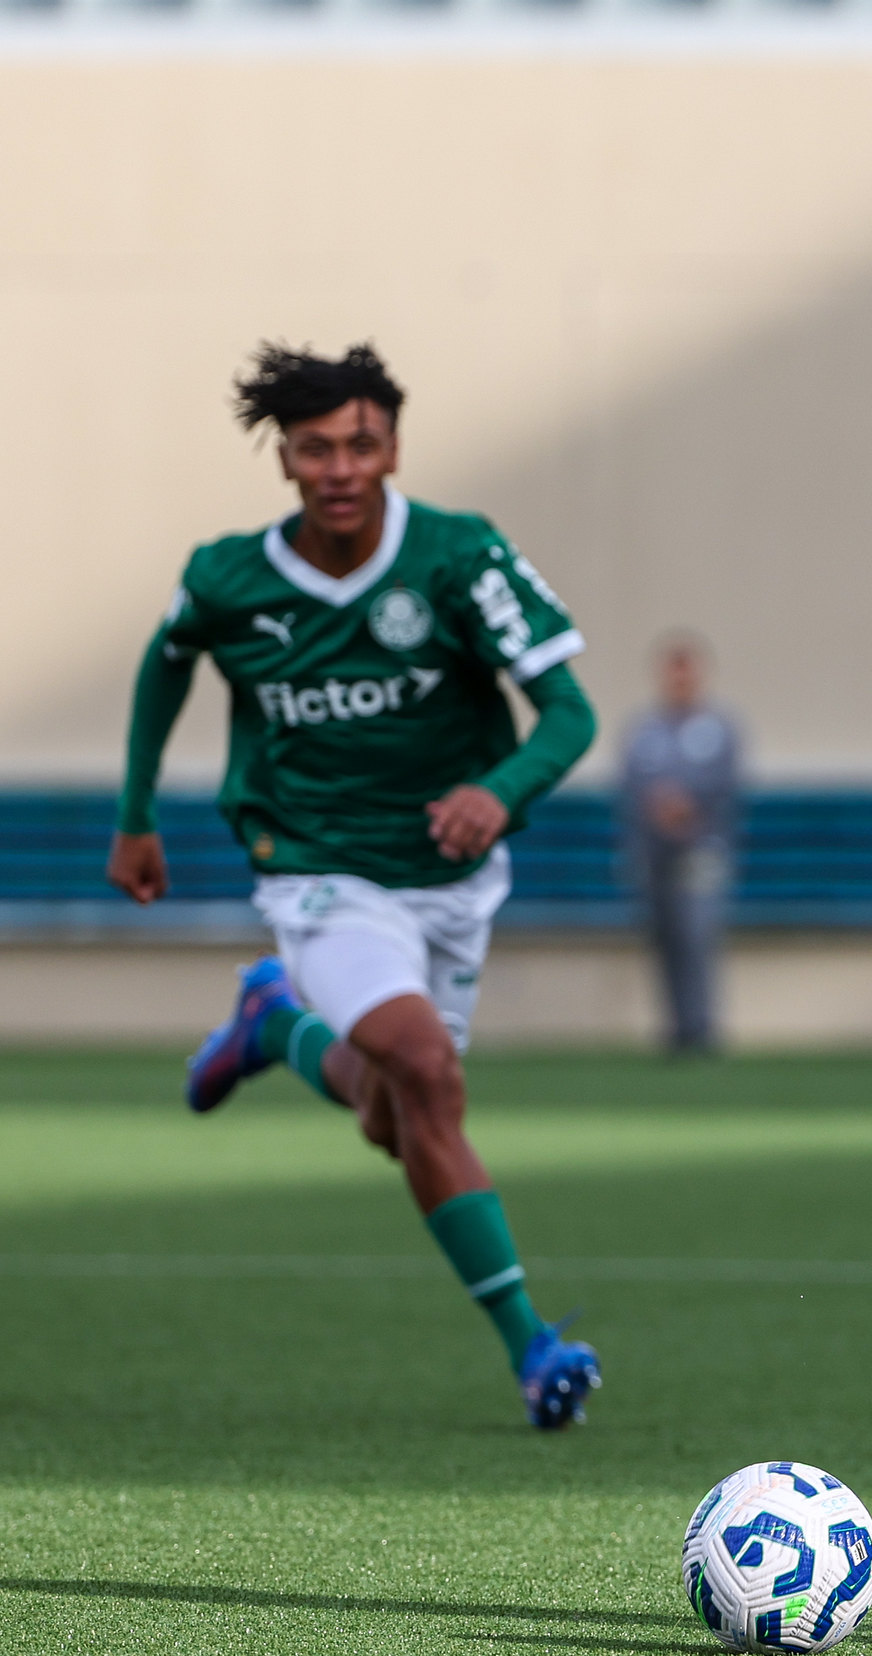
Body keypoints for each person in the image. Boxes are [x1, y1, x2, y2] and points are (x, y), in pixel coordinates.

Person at [106, 342, 604, 1430]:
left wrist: (499, 790)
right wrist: (136, 814)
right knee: (426, 1075)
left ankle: (271, 1023)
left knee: (392, 1114)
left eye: (360, 444)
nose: (339, 466)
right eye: (315, 447)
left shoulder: (461, 558)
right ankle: (532, 1347)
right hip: (316, 869)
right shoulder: (228, 577)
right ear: (284, 457)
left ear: (392, 447)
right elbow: (166, 661)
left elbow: (568, 713)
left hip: (453, 881)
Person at [620, 633, 742, 1053]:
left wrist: (687, 807)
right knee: (665, 938)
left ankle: (701, 1028)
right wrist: (659, 807)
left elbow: (725, 783)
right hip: (655, 851)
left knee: (697, 933)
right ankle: (674, 1027)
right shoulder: (646, 729)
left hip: (700, 849)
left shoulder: (717, 728)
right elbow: (632, 781)